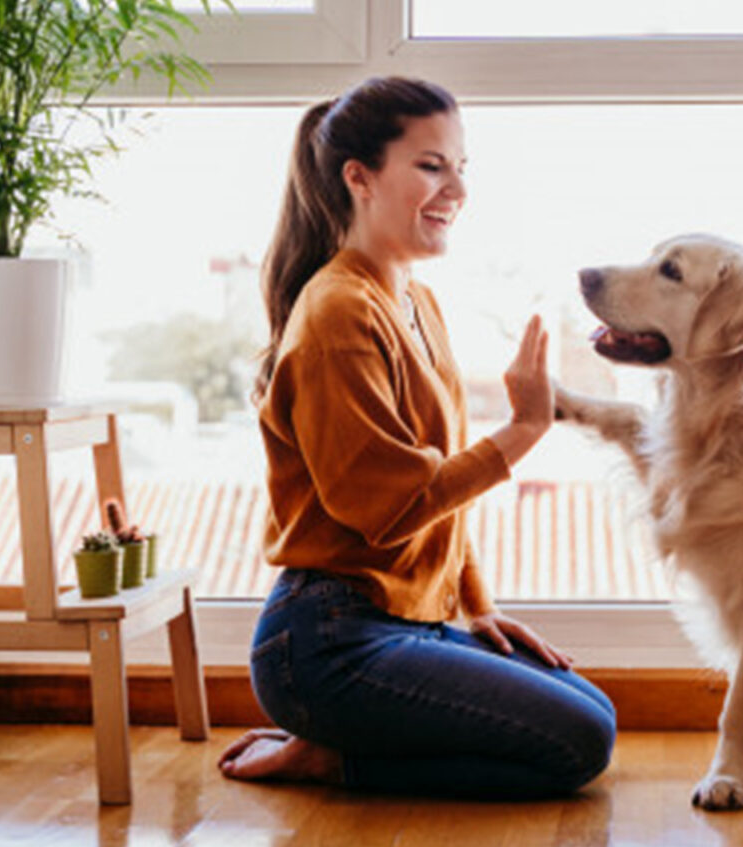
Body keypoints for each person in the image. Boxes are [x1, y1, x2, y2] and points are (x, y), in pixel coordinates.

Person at [217, 76, 616, 798]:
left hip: (405, 619)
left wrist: (477, 604)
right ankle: (329, 757)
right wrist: (525, 428)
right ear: (359, 178)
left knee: (594, 711)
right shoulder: (338, 313)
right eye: (432, 166)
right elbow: (389, 507)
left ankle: (339, 745)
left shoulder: (413, 299)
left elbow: (437, 494)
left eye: (462, 168)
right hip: (326, 641)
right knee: (579, 744)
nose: (456, 189)